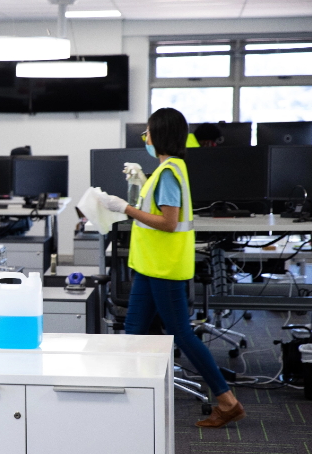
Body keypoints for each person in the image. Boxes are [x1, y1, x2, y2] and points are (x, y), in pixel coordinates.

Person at [98, 108, 245, 428]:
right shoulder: (167, 170)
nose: (145, 138)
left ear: (160, 135)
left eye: (148, 133)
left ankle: (226, 399)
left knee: (182, 334)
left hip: (163, 268)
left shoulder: (168, 174)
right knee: (134, 333)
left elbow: (168, 222)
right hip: (152, 267)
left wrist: (124, 208)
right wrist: (139, 184)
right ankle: (129, 403)